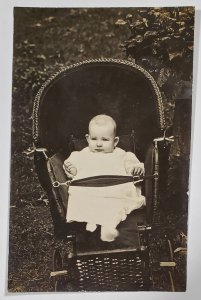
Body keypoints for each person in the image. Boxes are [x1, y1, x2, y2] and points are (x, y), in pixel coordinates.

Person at [63, 115, 145, 242]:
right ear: (87, 138)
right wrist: (71, 169)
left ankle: (108, 226)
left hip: (114, 190)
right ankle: (92, 220)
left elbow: (132, 166)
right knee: (82, 197)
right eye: (94, 139)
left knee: (115, 203)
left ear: (115, 141)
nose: (99, 144)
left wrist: (135, 169)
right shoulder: (81, 155)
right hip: (89, 190)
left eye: (105, 140)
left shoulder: (122, 155)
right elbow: (73, 171)